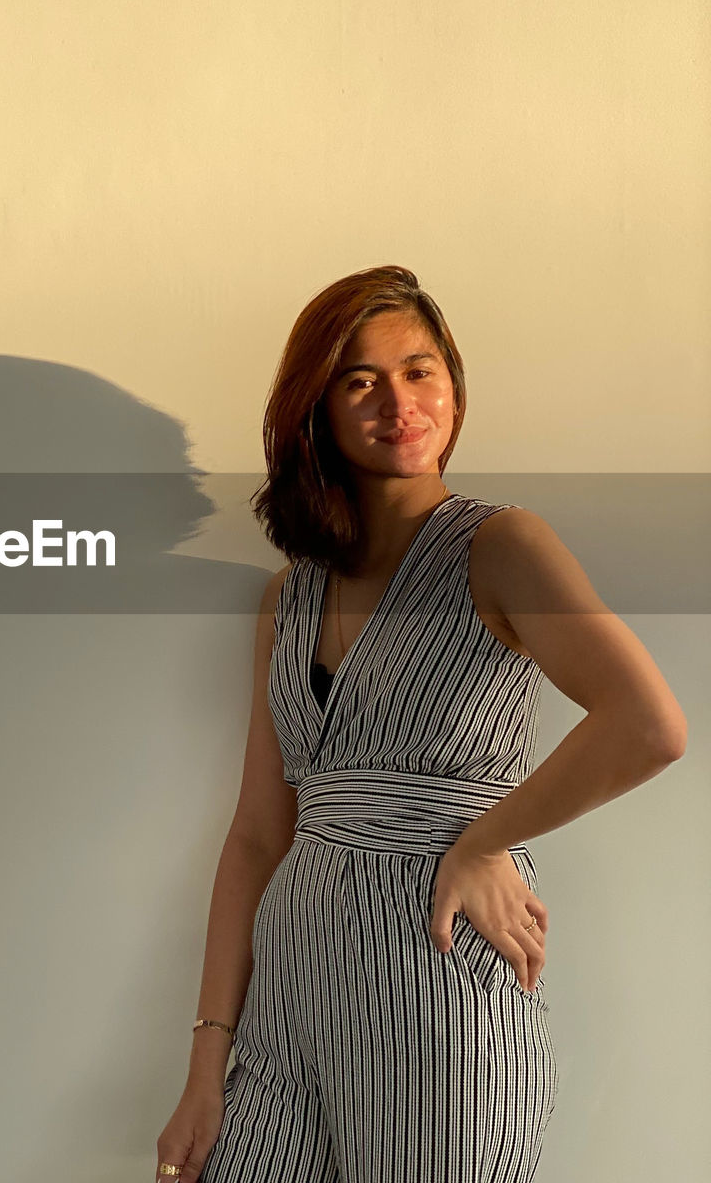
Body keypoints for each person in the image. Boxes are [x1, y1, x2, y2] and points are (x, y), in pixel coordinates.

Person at [153, 265, 687, 1183]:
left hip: (435, 978)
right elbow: (254, 837)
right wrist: (206, 1068)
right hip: (293, 991)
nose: (399, 401)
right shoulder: (289, 598)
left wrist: (486, 841)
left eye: (420, 370)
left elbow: (649, 724)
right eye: (360, 380)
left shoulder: (502, 547)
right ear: (315, 410)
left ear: (455, 385)